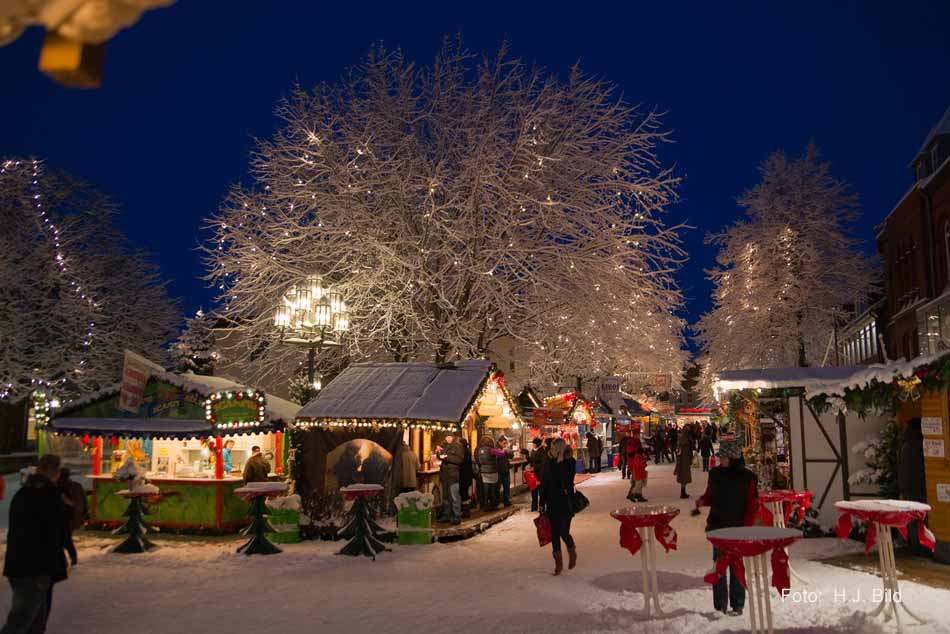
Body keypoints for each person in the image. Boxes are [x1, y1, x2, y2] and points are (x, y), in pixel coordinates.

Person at [2, 454, 70, 634]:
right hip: (37, 566)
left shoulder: (24, 492)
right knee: (23, 621)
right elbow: (55, 530)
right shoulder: (49, 495)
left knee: (29, 620)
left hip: (18, 563)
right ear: (55, 473)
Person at [694, 437, 758, 617]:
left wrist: (746, 528)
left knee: (736, 566)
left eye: (723, 457)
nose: (719, 460)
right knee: (719, 566)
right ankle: (719, 605)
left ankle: (737, 603)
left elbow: (752, 505)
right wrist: (702, 501)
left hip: (737, 529)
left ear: (732, 458)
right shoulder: (715, 474)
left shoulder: (747, 477)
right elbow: (710, 495)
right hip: (718, 526)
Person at [540, 438, 577, 575]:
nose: (552, 450)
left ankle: (572, 551)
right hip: (552, 502)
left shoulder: (569, 462)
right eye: (552, 448)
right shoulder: (548, 463)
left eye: (555, 448)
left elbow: (567, 481)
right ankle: (558, 563)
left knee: (563, 531)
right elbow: (544, 485)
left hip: (565, 502)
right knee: (554, 533)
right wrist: (541, 503)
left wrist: (561, 462)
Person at [898, 418, 928, 555]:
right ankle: (923, 547)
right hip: (920, 487)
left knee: (913, 519)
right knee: (923, 519)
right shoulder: (921, 444)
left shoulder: (905, 445)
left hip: (908, 488)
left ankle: (915, 545)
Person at [58, 468, 87, 566]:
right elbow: (84, 503)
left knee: (62, 539)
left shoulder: (59, 487)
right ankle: (70, 558)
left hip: (65, 518)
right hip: (74, 517)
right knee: (65, 538)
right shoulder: (76, 486)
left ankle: (65, 560)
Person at [436, 435, 464, 524]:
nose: (447, 439)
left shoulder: (458, 446)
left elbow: (459, 459)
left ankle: (456, 516)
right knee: (445, 496)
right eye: (446, 437)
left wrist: (447, 457)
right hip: (444, 474)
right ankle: (446, 515)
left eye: (449, 437)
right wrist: (438, 453)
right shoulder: (444, 445)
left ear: (453, 437)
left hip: (453, 475)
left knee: (454, 496)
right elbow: (440, 457)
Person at [475, 436, 500, 511]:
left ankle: (485, 505)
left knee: (485, 490)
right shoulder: (492, 450)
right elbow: (501, 454)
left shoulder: (478, 450)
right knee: (492, 490)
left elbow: (477, 460)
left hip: (483, 472)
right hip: (492, 472)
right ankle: (493, 505)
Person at [529, 437, 547, 512]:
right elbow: (532, 461)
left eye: (534, 443)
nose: (533, 445)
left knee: (541, 492)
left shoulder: (542, 451)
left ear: (537, 444)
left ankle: (541, 507)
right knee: (534, 491)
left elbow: (543, 464)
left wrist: (535, 468)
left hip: (540, 475)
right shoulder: (533, 451)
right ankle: (533, 507)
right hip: (533, 475)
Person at [675, 427, 694, 499]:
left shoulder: (681, 441)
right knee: (684, 477)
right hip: (685, 461)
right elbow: (689, 451)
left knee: (683, 477)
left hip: (682, 461)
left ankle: (683, 491)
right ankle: (683, 493)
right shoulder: (686, 442)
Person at [459, 437, 474, 518]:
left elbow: (460, 463)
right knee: (465, 493)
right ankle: (467, 509)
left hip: (463, 476)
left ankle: (466, 511)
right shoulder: (468, 451)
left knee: (464, 493)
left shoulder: (463, 452)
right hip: (468, 476)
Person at [496, 436, 514, 507]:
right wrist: (502, 452)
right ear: (500, 442)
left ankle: (506, 501)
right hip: (498, 471)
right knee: (497, 487)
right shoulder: (495, 448)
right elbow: (495, 457)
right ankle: (497, 502)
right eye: (504, 443)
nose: (505, 444)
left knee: (506, 486)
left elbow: (511, 456)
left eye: (506, 443)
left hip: (506, 470)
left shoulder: (506, 448)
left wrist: (508, 451)